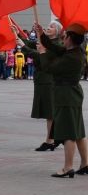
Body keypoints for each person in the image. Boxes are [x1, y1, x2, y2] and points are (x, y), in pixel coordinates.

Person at [37, 22, 88, 177]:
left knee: (68, 133)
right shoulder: (74, 51)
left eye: (65, 37)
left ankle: (68, 167)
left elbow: (49, 68)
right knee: (78, 132)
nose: (62, 39)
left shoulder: (72, 58)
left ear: (70, 39)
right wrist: (41, 35)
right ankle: (85, 164)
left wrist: (42, 54)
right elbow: (55, 48)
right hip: (71, 95)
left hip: (66, 96)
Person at [20, 20, 60, 151]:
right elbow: (32, 43)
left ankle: (50, 141)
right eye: (48, 26)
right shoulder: (48, 42)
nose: (49, 28)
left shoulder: (56, 44)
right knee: (50, 113)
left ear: (58, 31)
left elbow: (39, 56)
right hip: (42, 80)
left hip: (48, 81)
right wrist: (18, 34)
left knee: (50, 113)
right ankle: (56, 138)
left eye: (52, 27)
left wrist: (23, 46)